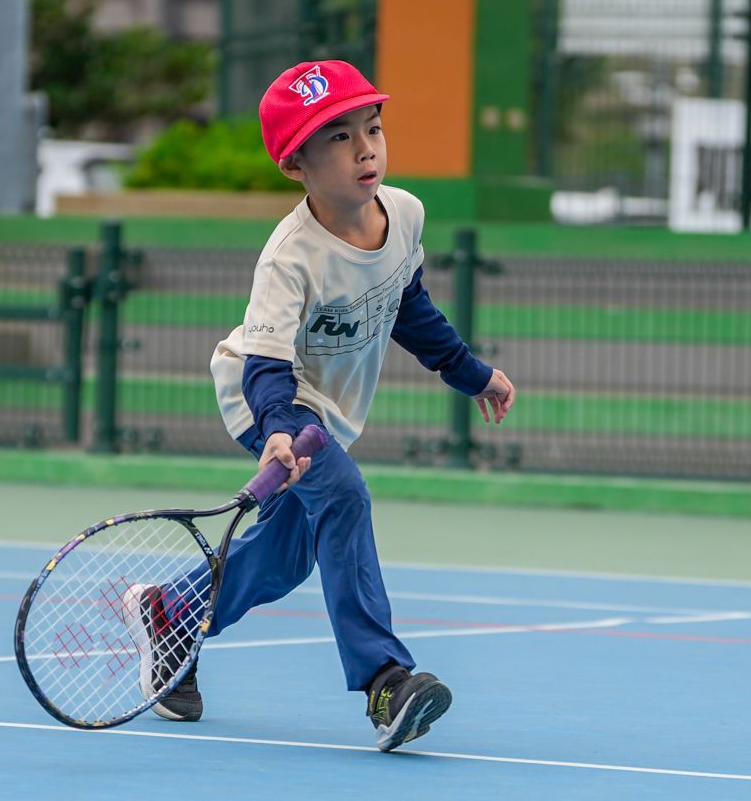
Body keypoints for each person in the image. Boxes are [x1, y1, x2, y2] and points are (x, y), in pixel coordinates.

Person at [123, 60, 516, 752]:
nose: (365, 147)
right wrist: (278, 429)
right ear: (294, 163)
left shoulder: (407, 215)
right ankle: (386, 681)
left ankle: (170, 612)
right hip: (266, 399)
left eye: (372, 127)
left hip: (327, 413)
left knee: (283, 560)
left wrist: (471, 373)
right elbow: (266, 364)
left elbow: (410, 307)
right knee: (344, 498)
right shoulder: (289, 259)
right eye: (337, 137)